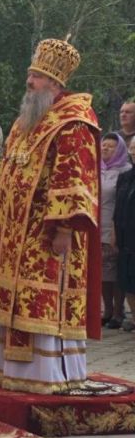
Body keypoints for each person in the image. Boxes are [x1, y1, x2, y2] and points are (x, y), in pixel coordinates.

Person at [0, 39, 101, 394]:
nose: (29, 81)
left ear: (54, 82)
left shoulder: (74, 120)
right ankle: (11, 372)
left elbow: (75, 174)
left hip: (46, 231)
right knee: (12, 300)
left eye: (36, 76)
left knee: (39, 301)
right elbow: (9, 170)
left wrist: (65, 227)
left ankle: (47, 375)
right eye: (29, 74)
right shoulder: (26, 120)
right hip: (13, 232)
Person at [100, 132, 131, 328]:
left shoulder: (125, 171)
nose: (105, 149)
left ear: (119, 149)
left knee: (116, 271)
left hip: (114, 225)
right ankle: (107, 309)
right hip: (96, 225)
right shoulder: (97, 168)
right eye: (104, 145)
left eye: (110, 146)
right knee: (103, 272)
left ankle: (119, 311)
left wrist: (114, 229)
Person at [115, 137, 135, 331]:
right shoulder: (126, 176)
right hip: (124, 232)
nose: (134, 151)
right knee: (127, 276)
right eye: (132, 148)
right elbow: (117, 206)